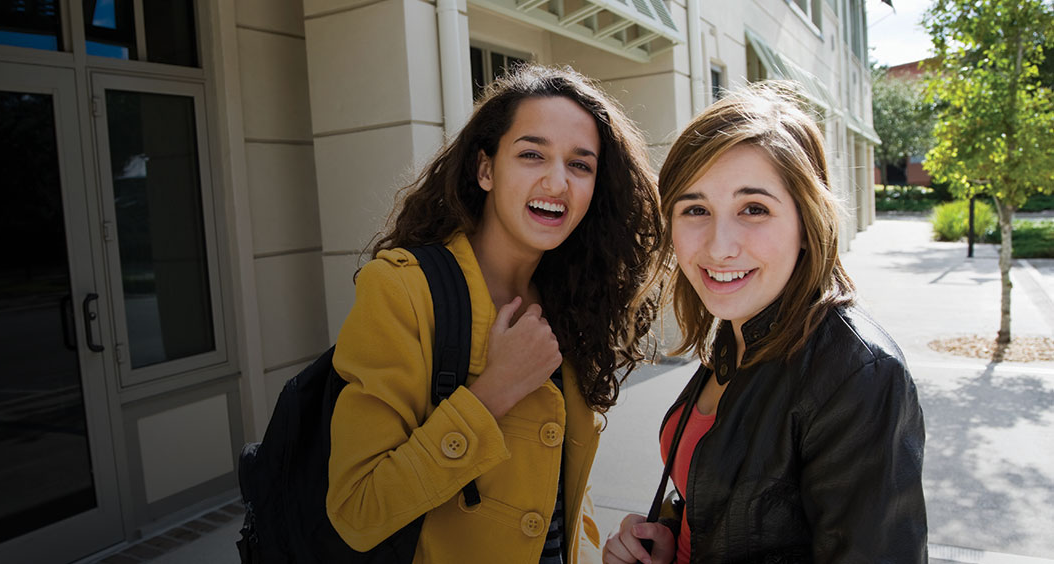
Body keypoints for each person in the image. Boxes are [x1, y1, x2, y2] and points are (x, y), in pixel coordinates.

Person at [325, 64, 673, 563]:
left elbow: (544, 492)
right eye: (532, 154)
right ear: (486, 169)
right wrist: (494, 392)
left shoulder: (571, 301)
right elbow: (358, 510)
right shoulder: (403, 290)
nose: (557, 181)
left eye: (581, 165)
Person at [605, 82, 928, 563]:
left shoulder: (859, 376)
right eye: (696, 209)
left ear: (807, 223)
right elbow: (740, 507)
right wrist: (670, 533)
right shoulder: (735, 334)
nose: (719, 246)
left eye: (753, 208)